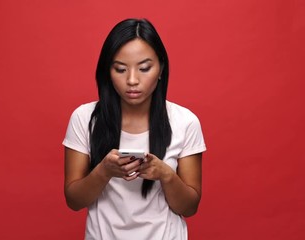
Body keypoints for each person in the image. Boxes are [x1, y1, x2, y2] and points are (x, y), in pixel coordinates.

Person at [62, 18, 206, 240]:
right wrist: (104, 171)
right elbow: (74, 200)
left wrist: (166, 175)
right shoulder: (85, 118)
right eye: (120, 69)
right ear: (108, 72)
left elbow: (189, 208)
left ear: (161, 69)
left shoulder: (185, 122)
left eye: (144, 68)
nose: (132, 80)